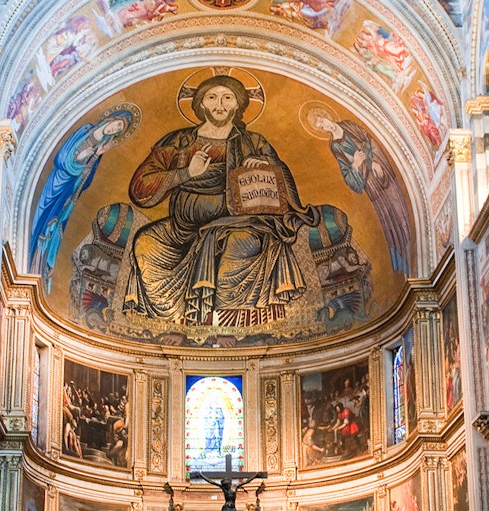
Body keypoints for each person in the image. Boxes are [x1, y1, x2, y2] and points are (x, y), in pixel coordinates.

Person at [123, 74, 319, 326]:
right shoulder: (179, 141)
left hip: (241, 223)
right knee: (145, 242)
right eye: (212, 97)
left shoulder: (254, 142)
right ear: (201, 104)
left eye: (228, 98)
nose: (220, 104)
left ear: (238, 105)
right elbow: (141, 188)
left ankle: (229, 326)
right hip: (183, 230)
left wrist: (265, 166)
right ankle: (174, 323)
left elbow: (284, 189)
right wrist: (186, 173)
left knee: (241, 243)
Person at [27, 107, 137, 288]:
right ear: (111, 118)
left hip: (69, 192)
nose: (114, 130)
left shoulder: (100, 148)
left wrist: (95, 155)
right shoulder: (86, 130)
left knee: (55, 227)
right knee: (44, 221)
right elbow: (62, 158)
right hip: (58, 182)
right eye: (116, 125)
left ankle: (41, 267)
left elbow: (86, 181)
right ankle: (33, 258)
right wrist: (79, 158)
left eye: (118, 130)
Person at [306, 107, 411, 275]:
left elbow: (370, 141)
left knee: (398, 208)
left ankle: (410, 245)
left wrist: (374, 160)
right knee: (387, 218)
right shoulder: (335, 146)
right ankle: (401, 260)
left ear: (326, 115)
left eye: (322, 121)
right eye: (321, 126)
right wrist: (355, 165)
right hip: (369, 183)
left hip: (381, 170)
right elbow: (348, 176)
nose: (325, 126)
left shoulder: (348, 125)